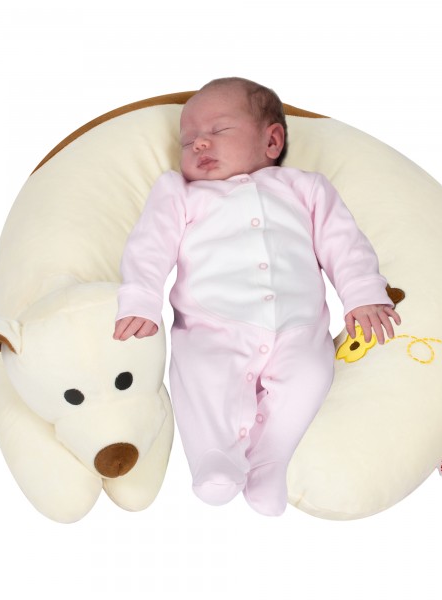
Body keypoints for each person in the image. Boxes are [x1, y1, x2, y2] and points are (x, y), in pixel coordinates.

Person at [113, 77, 400, 516]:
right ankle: (213, 455)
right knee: (201, 374)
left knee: (312, 374)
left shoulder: (306, 188)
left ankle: (271, 460)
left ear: (271, 141)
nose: (199, 143)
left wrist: (361, 292)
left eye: (218, 130)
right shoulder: (181, 193)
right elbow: (149, 246)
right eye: (188, 140)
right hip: (212, 324)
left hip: (299, 326)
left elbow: (343, 242)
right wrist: (141, 299)